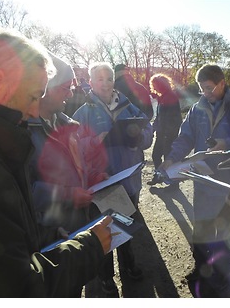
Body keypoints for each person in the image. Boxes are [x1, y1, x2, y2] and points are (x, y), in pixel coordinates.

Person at [0, 30, 112, 297]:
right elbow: (17, 288)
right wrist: (88, 248)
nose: (34, 110)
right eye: (34, 95)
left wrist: (90, 178)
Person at [159, 64, 230, 297]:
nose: (205, 93)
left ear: (222, 83)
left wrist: (227, 143)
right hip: (203, 181)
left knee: (227, 232)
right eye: (201, 89)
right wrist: (171, 159)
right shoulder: (196, 110)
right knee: (202, 229)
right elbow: (185, 138)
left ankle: (224, 276)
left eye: (209, 88)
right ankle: (202, 268)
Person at [73, 62, 153, 295]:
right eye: (100, 79)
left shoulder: (128, 106)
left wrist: (139, 137)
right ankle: (106, 276)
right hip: (103, 184)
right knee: (104, 233)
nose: (106, 83)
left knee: (126, 227)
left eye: (109, 78)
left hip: (129, 182)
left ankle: (129, 265)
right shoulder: (83, 112)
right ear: (90, 82)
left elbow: (148, 132)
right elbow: (75, 148)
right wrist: (94, 141)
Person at [28, 51, 108, 236]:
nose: (71, 94)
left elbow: (77, 167)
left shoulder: (67, 125)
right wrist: (68, 196)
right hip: (52, 233)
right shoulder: (24, 132)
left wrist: (93, 178)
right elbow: (22, 191)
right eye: (66, 88)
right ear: (45, 88)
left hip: (79, 224)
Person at [147, 73, 182, 186]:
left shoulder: (170, 97)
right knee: (156, 155)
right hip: (162, 133)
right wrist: (153, 128)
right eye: (153, 85)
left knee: (168, 158)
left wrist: (168, 134)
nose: (154, 87)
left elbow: (174, 118)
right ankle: (159, 176)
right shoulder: (162, 97)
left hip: (169, 134)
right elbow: (159, 116)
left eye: (156, 85)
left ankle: (173, 183)